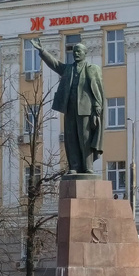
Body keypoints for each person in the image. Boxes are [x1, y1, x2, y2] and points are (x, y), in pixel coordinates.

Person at [31, 39, 105, 175]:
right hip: (70, 109)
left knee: (85, 139)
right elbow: (54, 64)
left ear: (85, 53)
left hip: (85, 110)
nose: (76, 53)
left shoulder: (92, 69)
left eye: (79, 51)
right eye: (74, 51)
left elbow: (98, 89)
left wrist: (97, 105)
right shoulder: (68, 69)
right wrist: (42, 51)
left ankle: (88, 167)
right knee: (71, 139)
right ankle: (74, 166)